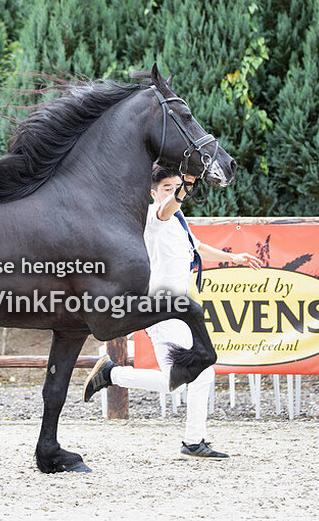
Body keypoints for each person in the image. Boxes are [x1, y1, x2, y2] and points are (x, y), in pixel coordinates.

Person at [83, 164, 262, 459]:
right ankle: (113, 374)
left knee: (195, 375)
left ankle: (192, 440)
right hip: (163, 310)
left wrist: (234, 258)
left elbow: (197, 246)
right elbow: (166, 209)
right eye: (167, 188)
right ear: (153, 193)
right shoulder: (154, 216)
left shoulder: (178, 218)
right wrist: (181, 190)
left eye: (176, 186)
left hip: (178, 310)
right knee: (186, 377)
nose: (174, 192)